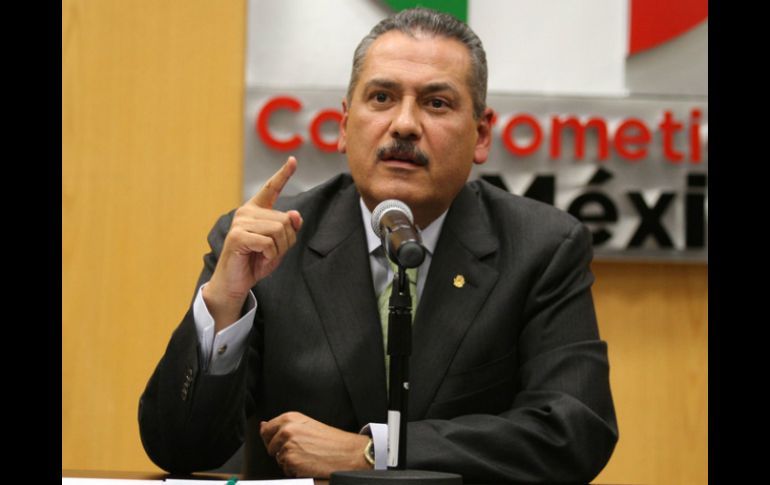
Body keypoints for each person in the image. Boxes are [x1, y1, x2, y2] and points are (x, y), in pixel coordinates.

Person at [138, 8, 618, 483]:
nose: (404, 124)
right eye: (382, 97)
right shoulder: (271, 246)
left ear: (481, 134)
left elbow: (574, 432)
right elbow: (179, 448)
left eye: (436, 103)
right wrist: (225, 304)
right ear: (345, 125)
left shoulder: (541, 248)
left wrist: (375, 452)